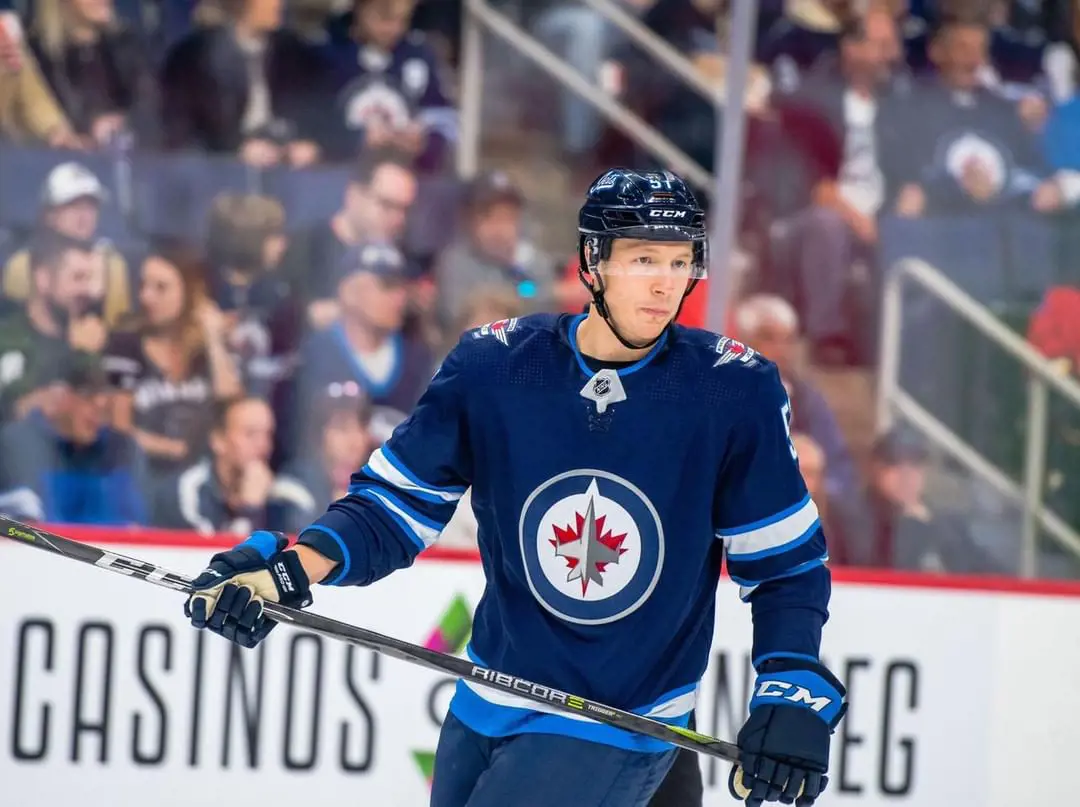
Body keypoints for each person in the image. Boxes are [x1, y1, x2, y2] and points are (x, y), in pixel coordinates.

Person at [182, 168, 847, 807]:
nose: (665, 284)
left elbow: (785, 563)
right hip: (490, 700)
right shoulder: (495, 366)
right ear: (594, 261)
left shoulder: (731, 389)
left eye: (679, 262)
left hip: (617, 716)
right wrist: (286, 573)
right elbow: (393, 506)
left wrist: (790, 684)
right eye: (645, 259)